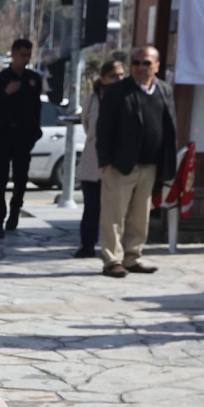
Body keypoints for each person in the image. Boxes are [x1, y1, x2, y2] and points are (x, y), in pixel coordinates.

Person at [97, 46, 176, 278]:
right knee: (114, 215)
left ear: (157, 66)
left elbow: (169, 126)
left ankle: (132, 257)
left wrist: (167, 163)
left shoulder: (164, 90)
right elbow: (104, 128)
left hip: (150, 164)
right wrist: (105, 160)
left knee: (140, 216)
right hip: (120, 164)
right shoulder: (117, 91)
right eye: (136, 63)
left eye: (146, 63)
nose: (140, 68)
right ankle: (112, 261)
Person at [0, 38, 43, 239]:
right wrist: (6, 94)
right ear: (14, 54)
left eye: (28, 56)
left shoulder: (33, 79)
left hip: (24, 136)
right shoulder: (0, 80)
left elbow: (37, 108)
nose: (25, 59)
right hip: (4, 134)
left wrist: (35, 132)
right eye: (22, 55)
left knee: (21, 180)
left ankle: (15, 211)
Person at [75, 59, 125, 258]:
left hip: (118, 162)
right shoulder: (93, 99)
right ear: (104, 79)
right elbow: (87, 125)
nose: (119, 79)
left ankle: (114, 248)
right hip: (93, 160)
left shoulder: (128, 97)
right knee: (92, 206)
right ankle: (87, 244)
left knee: (114, 209)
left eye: (122, 75)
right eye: (114, 76)